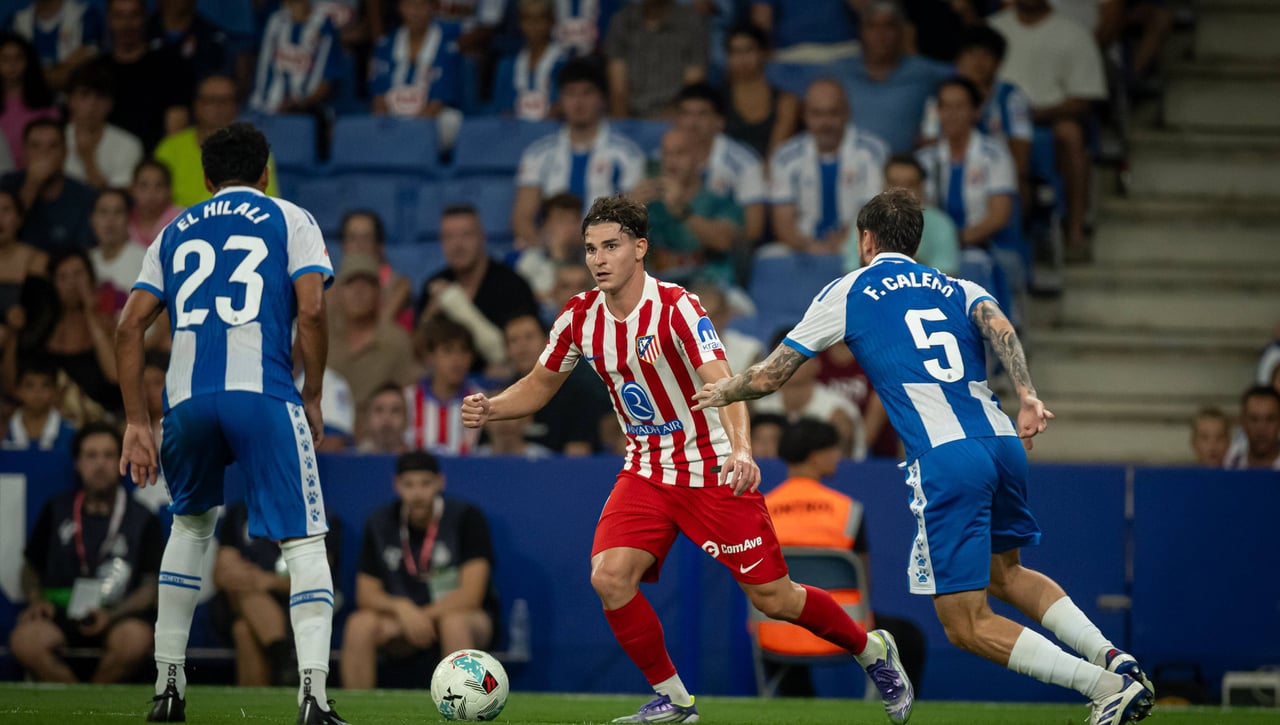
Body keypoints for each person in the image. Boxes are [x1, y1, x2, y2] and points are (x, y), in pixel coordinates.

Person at [693, 188, 1156, 725]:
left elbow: (772, 374)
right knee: (1008, 574)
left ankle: (1103, 687)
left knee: (965, 624)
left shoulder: (850, 289)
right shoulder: (957, 284)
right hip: (1002, 441)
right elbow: (1001, 328)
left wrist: (722, 392)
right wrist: (1027, 394)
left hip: (946, 457)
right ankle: (1115, 659)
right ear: (914, 240)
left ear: (865, 239)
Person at [460, 194, 914, 724]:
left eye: (611, 246)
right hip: (647, 470)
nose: (598, 258)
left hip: (710, 469)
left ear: (640, 248)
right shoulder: (579, 318)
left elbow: (725, 386)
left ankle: (870, 649)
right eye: (590, 248)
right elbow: (539, 386)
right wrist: (491, 407)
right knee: (608, 577)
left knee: (775, 597)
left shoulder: (678, 307)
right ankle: (675, 701)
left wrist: (743, 451)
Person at [114, 121, 349, 724]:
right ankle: (314, 698)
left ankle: (168, 687)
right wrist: (314, 392)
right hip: (263, 395)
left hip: (186, 403)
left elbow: (126, 327)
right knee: (304, 541)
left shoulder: (171, 232)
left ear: (205, 177)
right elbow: (314, 308)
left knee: (190, 530)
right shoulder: (289, 217)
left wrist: (137, 423)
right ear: (264, 172)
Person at [760, 418, 926, 696]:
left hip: (775, 633)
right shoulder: (847, 511)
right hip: (841, 630)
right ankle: (901, 703)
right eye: (833, 449)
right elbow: (863, 584)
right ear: (816, 456)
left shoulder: (762, 510)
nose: (837, 456)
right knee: (909, 637)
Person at [8, 421, 162, 684]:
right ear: (77, 463)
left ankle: (93, 702)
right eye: (91, 456)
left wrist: (112, 615)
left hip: (118, 615)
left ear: (120, 462)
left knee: (135, 640)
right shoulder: (57, 509)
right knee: (25, 641)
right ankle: (73, 702)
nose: (99, 464)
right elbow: (30, 568)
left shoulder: (142, 519)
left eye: (108, 455)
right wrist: (36, 599)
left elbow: (151, 588)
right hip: (60, 614)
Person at [340, 450, 500, 689]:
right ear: (396, 485)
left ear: (440, 482)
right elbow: (366, 594)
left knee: (453, 622)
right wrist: (401, 608)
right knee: (359, 624)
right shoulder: (379, 522)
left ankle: (464, 708)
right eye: (409, 485)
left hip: (461, 616)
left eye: (425, 484)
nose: (417, 494)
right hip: (401, 618)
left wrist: (422, 616)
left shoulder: (467, 517)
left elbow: (471, 595)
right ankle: (353, 712)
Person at [989, 0, 1106, 261]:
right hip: (995, 119)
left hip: (1048, 121)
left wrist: (1034, 113)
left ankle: (1074, 232)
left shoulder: (1073, 33)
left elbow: (1084, 99)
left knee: (1071, 133)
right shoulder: (994, 27)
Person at [511, 58, 645, 247]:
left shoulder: (627, 155)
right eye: (570, 93)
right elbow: (522, 218)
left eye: (587, 93)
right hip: (550, 251)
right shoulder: (537, 154)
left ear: (602, 99)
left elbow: (631, 220)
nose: (579, 102)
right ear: (560, 100)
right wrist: (548, 253)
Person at [212, 501, 342, 687]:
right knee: (246, 595)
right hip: (238, 602)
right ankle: (284, 660)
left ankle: (256, 709)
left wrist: (269, 581)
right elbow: (222, 574)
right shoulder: (240, 514)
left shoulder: (319, 518)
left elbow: (317, 580)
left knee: (243, 631)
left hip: (293, 605)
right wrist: (252, 580)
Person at [768, 78, 887, 256]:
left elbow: (876, 216)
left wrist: (843, 244)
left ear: (847, 113)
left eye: (833, 113)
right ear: (804, 115)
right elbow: (783, 223)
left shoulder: (874, 152)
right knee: (768, 259)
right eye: (817, 114)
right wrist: (811, 247)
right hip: (802, 247)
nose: (825, 123)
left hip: (859, 247)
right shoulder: (785, 157)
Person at [415, 203, 539, 371]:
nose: (458, 245)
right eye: (449, 237)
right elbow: (417, 353)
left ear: (482, 237)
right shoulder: (434, 285)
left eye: (466, 235)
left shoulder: (512, 285)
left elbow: (526, 348)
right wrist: (430, 314)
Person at [836, 2, 952, 155]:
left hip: (906, 171)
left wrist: (938, 133)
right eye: (872, 26)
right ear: (861, 32)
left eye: (889, 26)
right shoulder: (840, 72)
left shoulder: (925, 72)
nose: (880, 35)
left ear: (902, 32)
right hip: (853, 170)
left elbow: (970, 81)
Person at [633, 126, 743, 287]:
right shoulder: (648, 204)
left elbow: (723, 241)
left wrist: (681, 210)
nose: (672, 161)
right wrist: (628, 210)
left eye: (680, 153)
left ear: (699, 157)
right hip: (658, 290)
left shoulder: (720, 202)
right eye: (667, 154)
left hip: (711, 286)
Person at [154, 74, 280, 208]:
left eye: (226, 100)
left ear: (236, 106)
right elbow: (153, 203)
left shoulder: (253, 149)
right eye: (211, 100)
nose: (219, 107)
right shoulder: (169, 148)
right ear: (197, 105)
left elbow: (267, 202)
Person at [88, 0, 194, 150]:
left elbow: (176, 127)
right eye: (119, 16)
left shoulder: (170, 65)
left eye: (134, 15)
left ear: (145, 18)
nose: (127, 24)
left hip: (154, 162)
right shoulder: (95, 70)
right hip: (106, 158)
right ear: (109, 20)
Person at [670, 82, 767, 244]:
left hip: (724, 253)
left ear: (719, 121)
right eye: (685, 114)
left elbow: (753, 229)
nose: (692, 123)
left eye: (702, 114)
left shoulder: (745, 163)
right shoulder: (662, 158)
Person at [503, 312, 610, 455]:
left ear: (547, 342)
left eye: (529, 337)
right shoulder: (504, 395)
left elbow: (577, 458)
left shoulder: (577, 394)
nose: (522, 346)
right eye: (513, 340)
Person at [327, 252, 418, 409]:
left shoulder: (397, 340)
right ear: (339, 291)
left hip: (379, 430)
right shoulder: (320, 334)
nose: (358, 291)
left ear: (379, 293)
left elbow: (409, 398)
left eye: (367, 284)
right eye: (351, 283)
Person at [368, 0, 463, 144]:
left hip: (429, 120)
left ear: (432, 8)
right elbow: (379, 98)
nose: (415, 13)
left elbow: (437, 103)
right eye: (409, 6)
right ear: (400, 8)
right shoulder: (385, 45)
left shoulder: (447, 48)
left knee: (451, 120)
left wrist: (411, 134)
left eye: (421, 6)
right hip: (391, 120)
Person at [1, 118, 97, 251]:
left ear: (65, 152)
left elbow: (85, 251)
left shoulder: (85, 196)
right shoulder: (6, 185)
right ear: (24, 152)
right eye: (35, 146)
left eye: (53, 146)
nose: (43, 153)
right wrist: (31, 185)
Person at [604, 0, 707, 119]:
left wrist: (665, 125)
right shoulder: (621, 20)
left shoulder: (692, 21)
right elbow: (618, 90)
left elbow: (692, 85)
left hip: (675, 120)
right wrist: (625, 127)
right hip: (630, 118)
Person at [405, 314, 486, 455]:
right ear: (430, 356)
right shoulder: (407, 399)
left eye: (464, 350)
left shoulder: (482, 402)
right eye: (447, 350)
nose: (457, 359)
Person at [720, 23, 799, 160]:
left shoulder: (786, 101)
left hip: (771, 173)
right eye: (735, 52)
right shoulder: (717, 100)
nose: (742, 58)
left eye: (748, 50)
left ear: (764, 53)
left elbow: (777, 156)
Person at [250, 0, 343, 115]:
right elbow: (261, 67)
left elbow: (325, 83)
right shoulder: (273, 21)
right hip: (265, 108)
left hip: (304, 111)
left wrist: (298, 105)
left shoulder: (324, 26)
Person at [871, 154, 958, 275]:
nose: (900, 191)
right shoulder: (865, 221)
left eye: (909, 184)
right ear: (883, 185)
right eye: (893, 183)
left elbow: (947, 279)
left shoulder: (941, 225)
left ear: (921, 188)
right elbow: (851, 277)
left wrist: (900, 257)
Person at [62, 63, 143, 189]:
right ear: (70, 100)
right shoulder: (53, 141)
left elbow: (118, 203)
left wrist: (87, 159)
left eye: (100, 97)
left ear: (110, 104)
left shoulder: (129, 145)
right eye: (84, 95)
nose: (92, 104)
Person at [491, 0, 570, 121]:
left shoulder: (564, 64)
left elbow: (565, 108)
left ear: (552, 21)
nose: (534, 25)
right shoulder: (507, 66)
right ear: (520, 23)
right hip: (515, 136)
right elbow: (502, 111)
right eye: (528, 19)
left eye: (540, 18)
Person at [336, 209, 411, 328]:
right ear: (343, 245)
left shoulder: (399, 285)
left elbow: (375, 329)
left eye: (366, 238)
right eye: (352, 238)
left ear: (380, 246)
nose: (359, 246)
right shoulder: (329, 286)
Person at [7, 0, 103, 91]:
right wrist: (64, 67)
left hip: (71, 105)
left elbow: (84, 73)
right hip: (28, 106)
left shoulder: (86, 17)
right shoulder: (15, 23)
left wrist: (32, 75)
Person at [0, 32, 59, 168]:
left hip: (39, 171)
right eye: (5, 59)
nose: (12, 65)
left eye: (18, 58)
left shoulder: (46, 103)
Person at [88, 187, 145, 313]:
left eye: (118, 212)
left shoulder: (146, 260)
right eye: (103, 212)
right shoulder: (85, 262)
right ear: (92, 219)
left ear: (129, 219)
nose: (110, 221)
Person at [2, 356, 75, 450]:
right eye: (29, 386)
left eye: (45, 385)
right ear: (17, 390)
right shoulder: (3, 431)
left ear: (55, 391)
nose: (37, 392)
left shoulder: (71, 433)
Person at [0, 187, 48, 317]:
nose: (0, 217)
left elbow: (45, 311)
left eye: (6, 210)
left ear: (19, 219)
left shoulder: (37, 260)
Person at [1224, 386, 1280, 471]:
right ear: (1242, 421)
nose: (1261, 428)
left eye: (1270, 419)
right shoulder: (1228, 464)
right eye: (1254, 419)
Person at [128, 159, 183, 245]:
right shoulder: (124, 219)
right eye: (144, 186)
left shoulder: (181, 219)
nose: (151, 193)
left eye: (159, 186)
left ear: (169, 190)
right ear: (132, 189)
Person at [356, 382, 410, 454]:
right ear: (366, 419)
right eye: (379, 409)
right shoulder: (349, 461)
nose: (387, 418)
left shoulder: (419, 461)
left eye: (395, 410)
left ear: (406, 420)